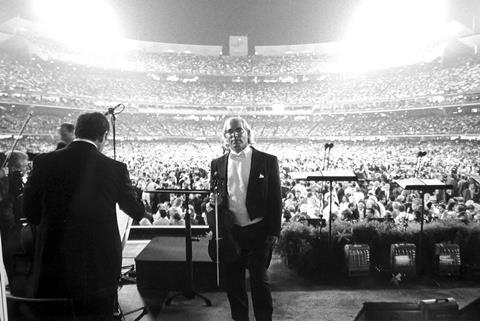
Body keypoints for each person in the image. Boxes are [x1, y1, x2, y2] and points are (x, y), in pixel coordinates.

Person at [23, 112, 146, 320]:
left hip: (53, 259)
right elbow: (135, 210)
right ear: (104, 135)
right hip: (98, 263)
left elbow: (31, 214)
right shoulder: (115, 168)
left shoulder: (43, 162)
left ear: (77, 131)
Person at [209, 117, 281, 321]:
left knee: (260, 284)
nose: (234, 135)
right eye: (229, 132)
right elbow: (216, 195)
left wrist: (274, 231)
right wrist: (213, 203)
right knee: (234, 285)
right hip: (232, 233)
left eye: (239, 130)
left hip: (258, 231)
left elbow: (276, 198)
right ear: (224, 137)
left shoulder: (268, 160)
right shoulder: (217, 164)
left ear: (248, 133)